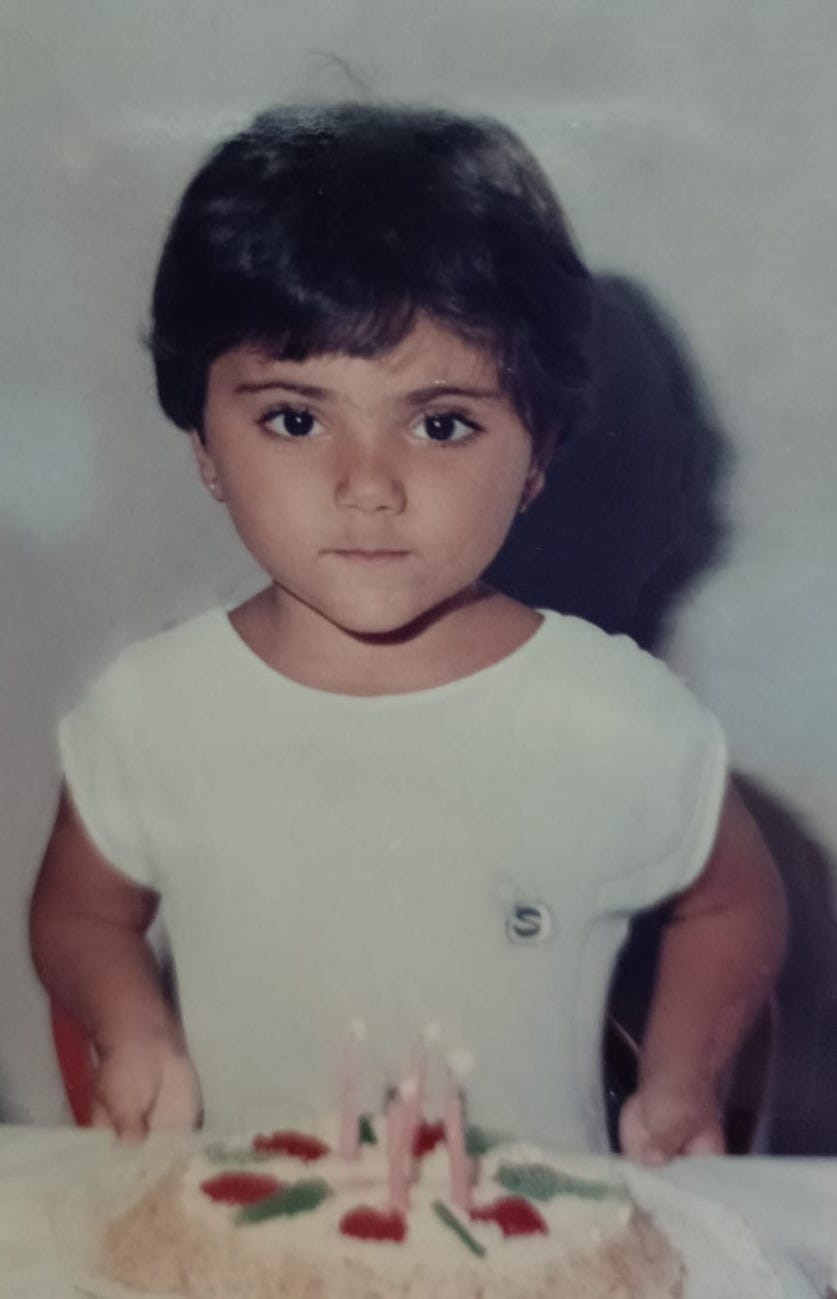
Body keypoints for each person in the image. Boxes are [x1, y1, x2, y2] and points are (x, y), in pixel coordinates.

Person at [29, 103, 786, 1163]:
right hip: (243, 1228)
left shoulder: (608, 713)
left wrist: (680, 1077)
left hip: (537, 1232)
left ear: (535, 454)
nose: (368, 485)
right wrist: (131, 1024)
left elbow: (734, 905)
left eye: (441, 424)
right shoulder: (151, 710)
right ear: (203, 443)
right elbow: (79, 915)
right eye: (296, 419)